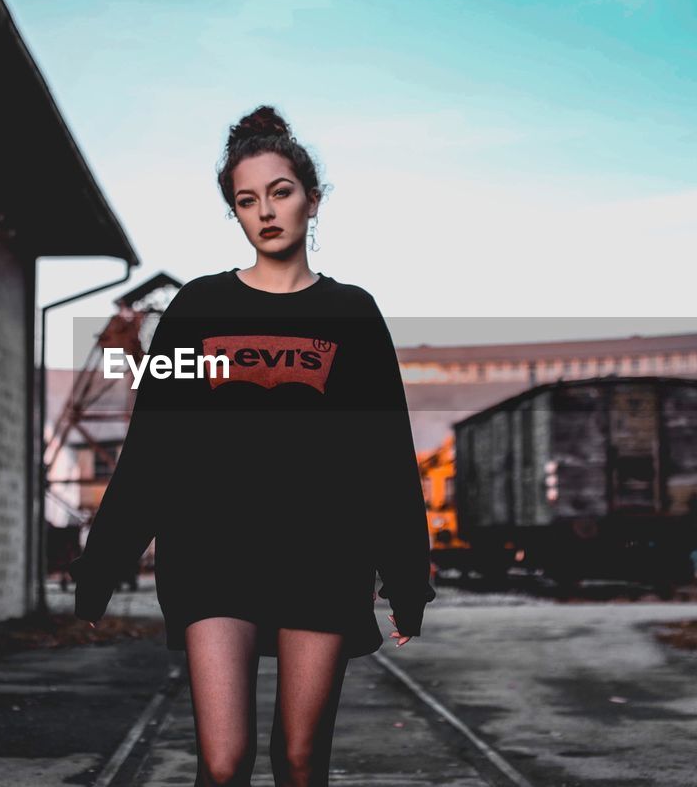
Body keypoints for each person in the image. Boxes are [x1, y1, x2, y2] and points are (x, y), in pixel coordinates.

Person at [69, 104, 436, 787]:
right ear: (234, 213)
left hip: (323, 555)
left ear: (312, 199)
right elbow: (154, 450)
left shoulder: (351, 314)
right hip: (214, 552)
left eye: (280, 192)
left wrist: (407, 580)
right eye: (246, 200)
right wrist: (101, 567)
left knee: (300, 761)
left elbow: (384, 455)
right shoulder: (198, 310)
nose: (265, 212)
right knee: (224, 759)